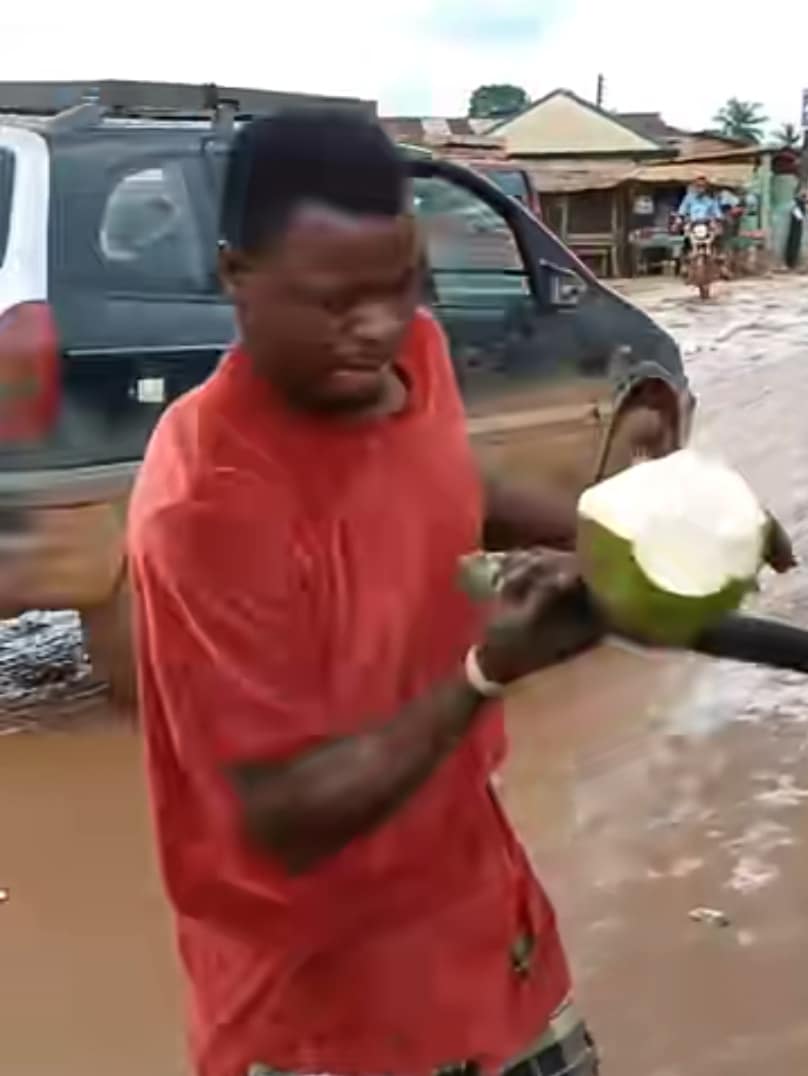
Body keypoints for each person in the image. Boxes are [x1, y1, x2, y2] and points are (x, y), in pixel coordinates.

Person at [126, 109, 609, 1076]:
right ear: (235, 276)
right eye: (333, 301)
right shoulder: (209, 504)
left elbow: (445, 481)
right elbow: (285, 816)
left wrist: (620, 535)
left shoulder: (408, 360)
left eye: (397, 287)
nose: (378, 328)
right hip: (323, 1002)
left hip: (481, 919)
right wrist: (484, 671)